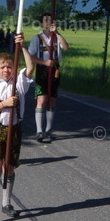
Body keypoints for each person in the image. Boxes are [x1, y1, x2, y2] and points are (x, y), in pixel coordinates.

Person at [0, 35, 35, 221]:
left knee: (9, 167)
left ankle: (6, 203)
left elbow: (30, 68)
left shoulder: (19, 84)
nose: (6, 70)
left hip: (15, 129)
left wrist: (23, 47)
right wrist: (4, 104)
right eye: (2, 67)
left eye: (9, 66)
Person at [28, 14, 69, 142]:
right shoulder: (37, 38)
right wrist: (44, 63)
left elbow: (66, 47)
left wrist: (57, 32)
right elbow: (30, 56)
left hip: (55, 69)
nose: (48, 23)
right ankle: (39, 131)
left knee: (52, 100)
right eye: (45, 21)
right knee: (41, 99)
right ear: (41, 24)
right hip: (42, 70)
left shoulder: (57, 37)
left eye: (50, 21)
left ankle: (49, 130)